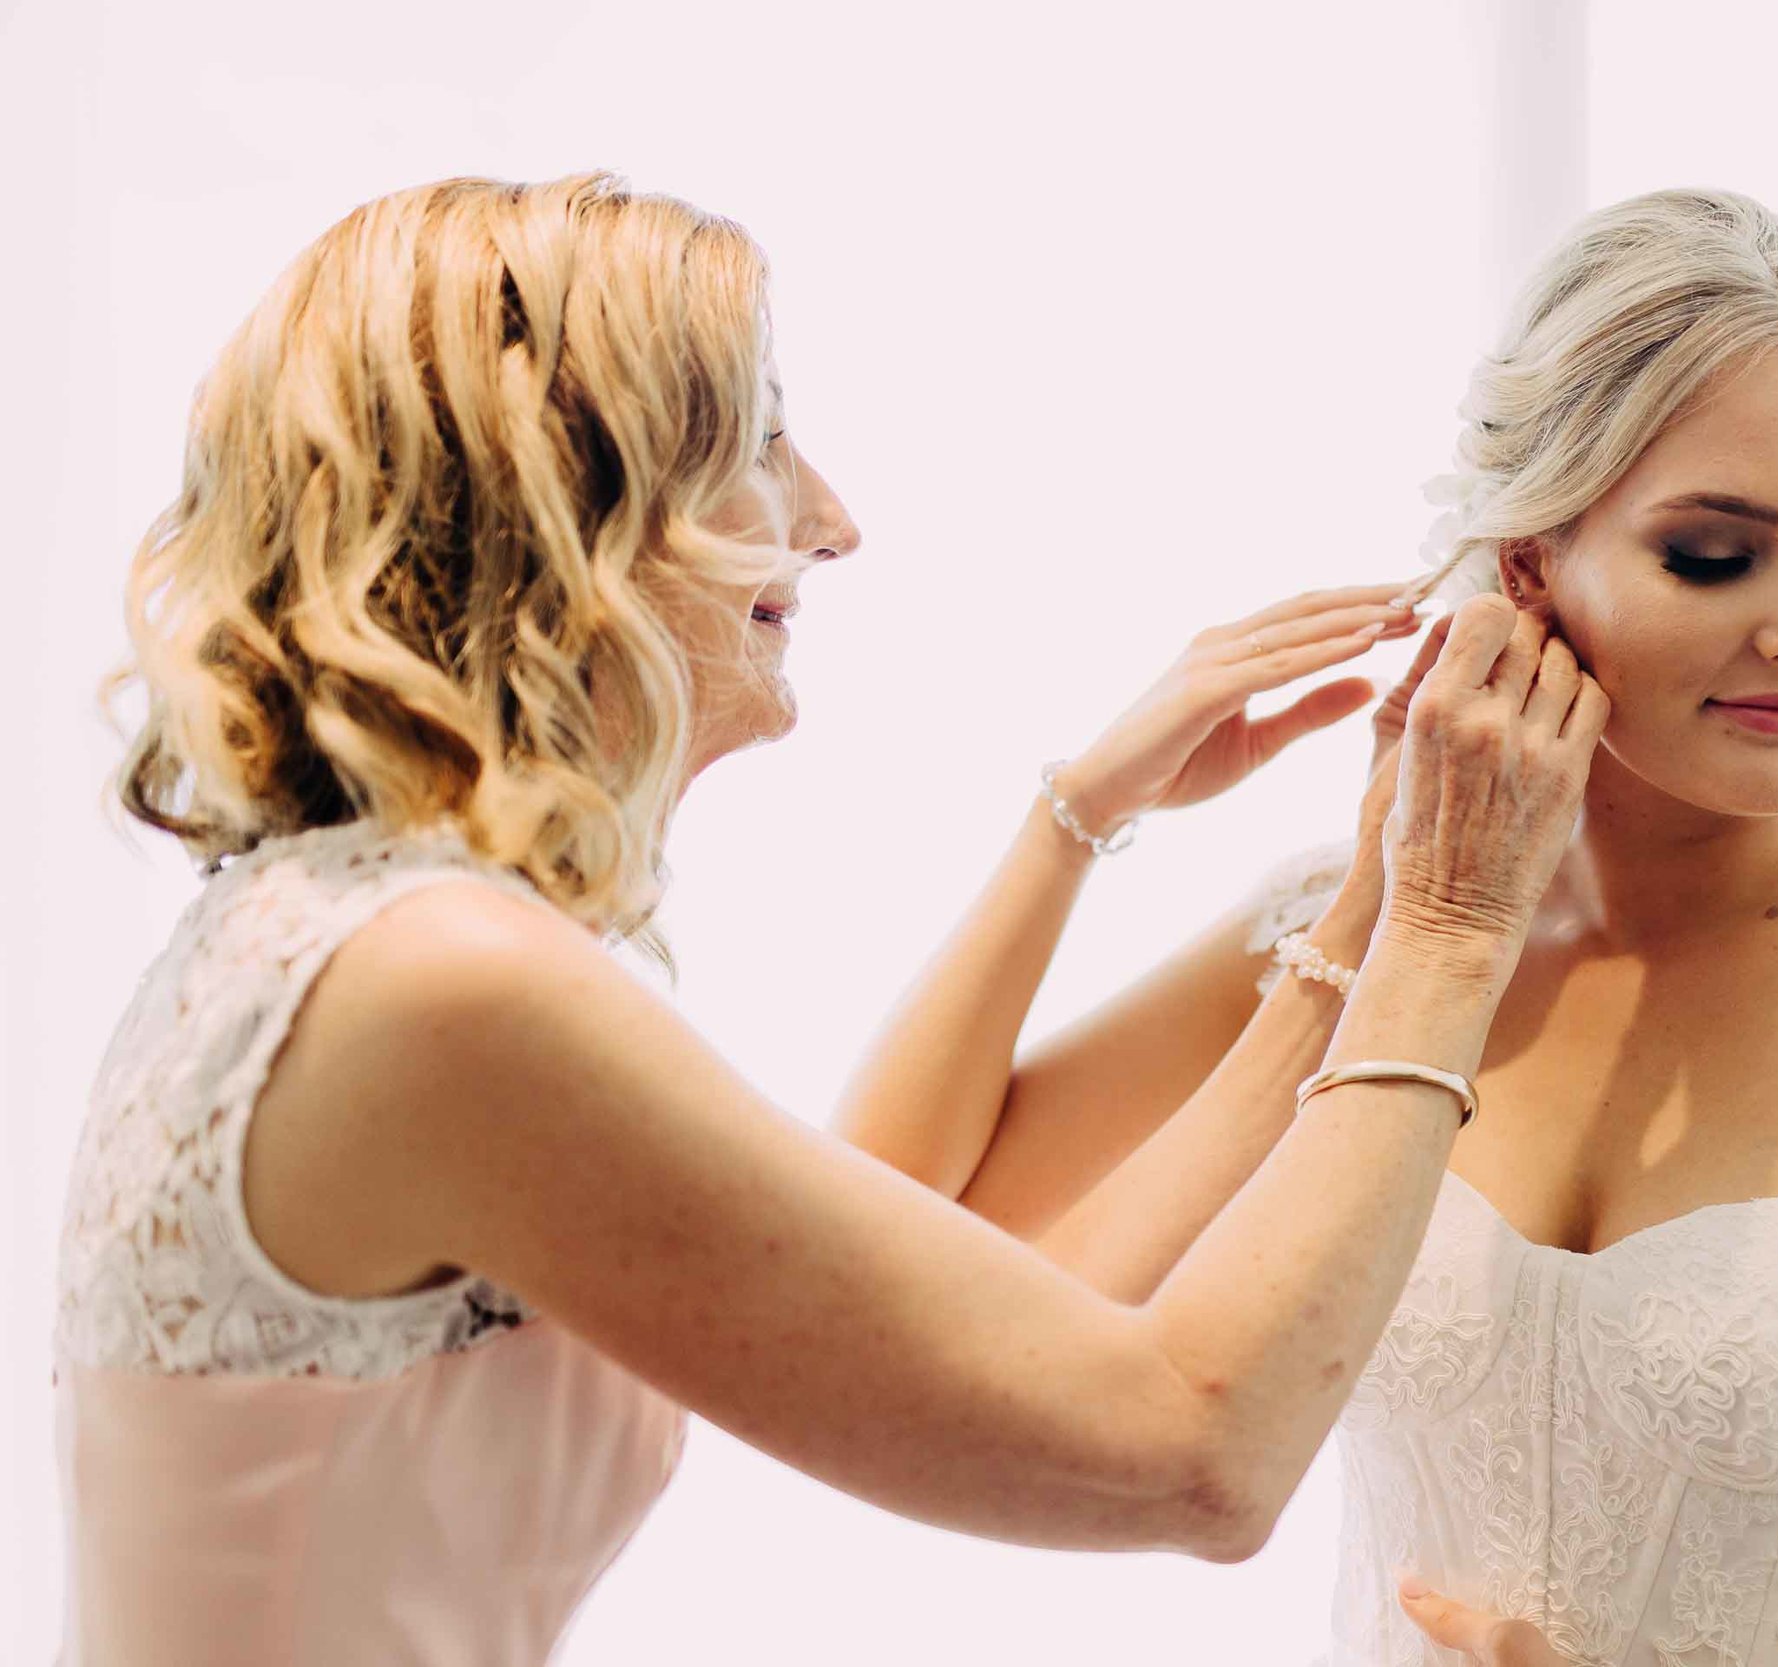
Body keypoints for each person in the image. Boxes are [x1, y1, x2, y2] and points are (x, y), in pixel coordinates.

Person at [50, 170, 1613, 1666]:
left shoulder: (327, 931)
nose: (834, 518)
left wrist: (1090, 824)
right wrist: (1452, 926)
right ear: (569, 498)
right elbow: (1195, 1453)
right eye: (764, 439)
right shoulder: (445, 989)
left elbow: (932, 1261)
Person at [866, 189, 1778, 1666]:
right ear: (1533, 559)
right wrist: (1072, 819)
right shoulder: (1352, 942)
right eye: (1717, 556)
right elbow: (886, 1267)